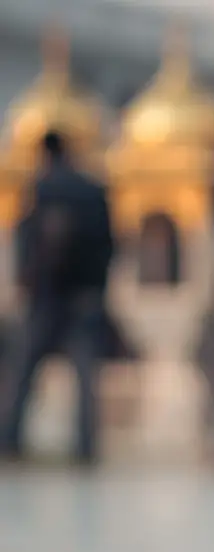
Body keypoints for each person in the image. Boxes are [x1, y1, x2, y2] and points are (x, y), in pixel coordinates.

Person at [0, 130, 115, 464]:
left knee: (22, 374)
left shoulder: (42, 187)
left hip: (46, 298)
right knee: (85, 380)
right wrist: (98, 289)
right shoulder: (93, 190)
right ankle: (86, 448)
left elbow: (27, 239)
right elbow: (110, 244)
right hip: (84, 298)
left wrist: (26, 284)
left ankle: (9, 442)